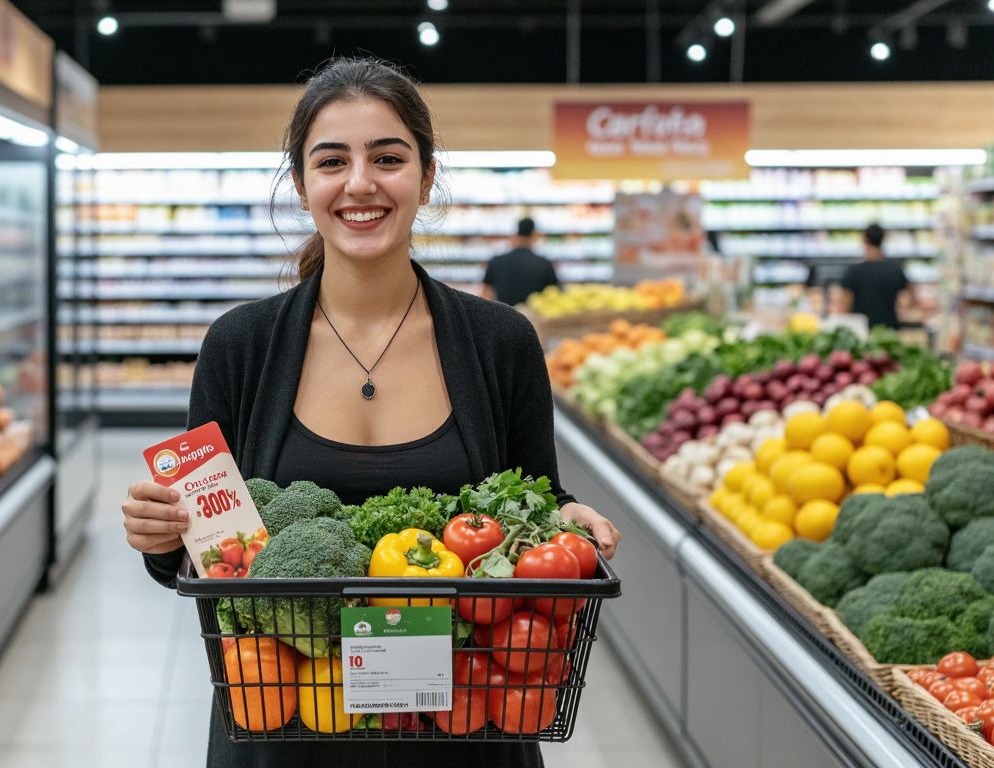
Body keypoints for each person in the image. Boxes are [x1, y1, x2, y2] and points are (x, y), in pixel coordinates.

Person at [120, 57, 621, 768]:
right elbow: (206, 554)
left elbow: (539, 494)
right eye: (332, 161)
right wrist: (162, 535)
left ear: (426, 175)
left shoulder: (500, 342)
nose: (360, 184)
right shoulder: (241, 345)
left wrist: (566, 520)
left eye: (388, 157)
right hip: (286, 727)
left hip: (463, 728)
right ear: (301, 184)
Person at [834, 223, 917, 330]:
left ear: (864, 239)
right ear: (883, 240)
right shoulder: (895, 270)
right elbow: (910, 297)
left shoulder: (854, 272)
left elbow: (844, 306)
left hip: (861, 332)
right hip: (889, 332)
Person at [481, 217, 560, 305]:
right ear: (533, 237)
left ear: (515, 237)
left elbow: (486, 296)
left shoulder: (495, 262)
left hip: (503, 315)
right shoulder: (545, 264)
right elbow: (554, 295)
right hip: (533, 316)